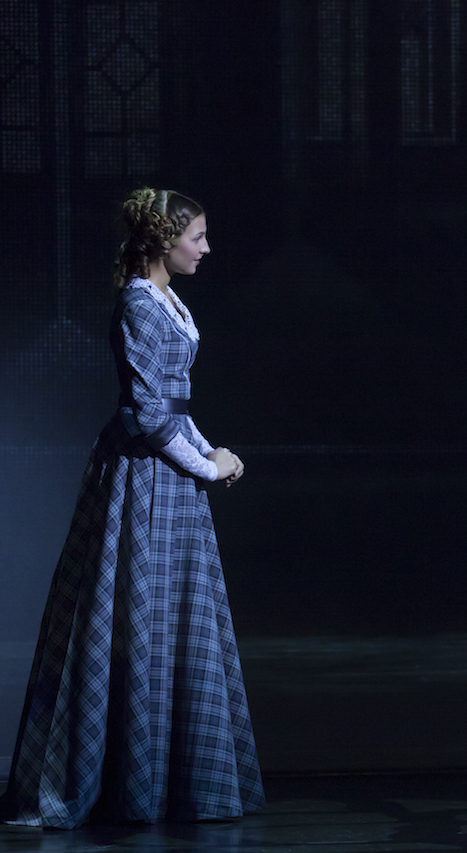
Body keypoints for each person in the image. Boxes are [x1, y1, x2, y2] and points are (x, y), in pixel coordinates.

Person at [1, 189, 265, 828]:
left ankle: (180, 780)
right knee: (134, 615)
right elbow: (148, 415)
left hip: (172, 474)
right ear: (165, 241)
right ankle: (124, 780)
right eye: (197, 238)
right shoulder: (139, 306)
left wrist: (212, 451)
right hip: (144, 476)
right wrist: (207, 466)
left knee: (176, 615)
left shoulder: (167, 302)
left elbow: (175, 404)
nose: (206, 249)